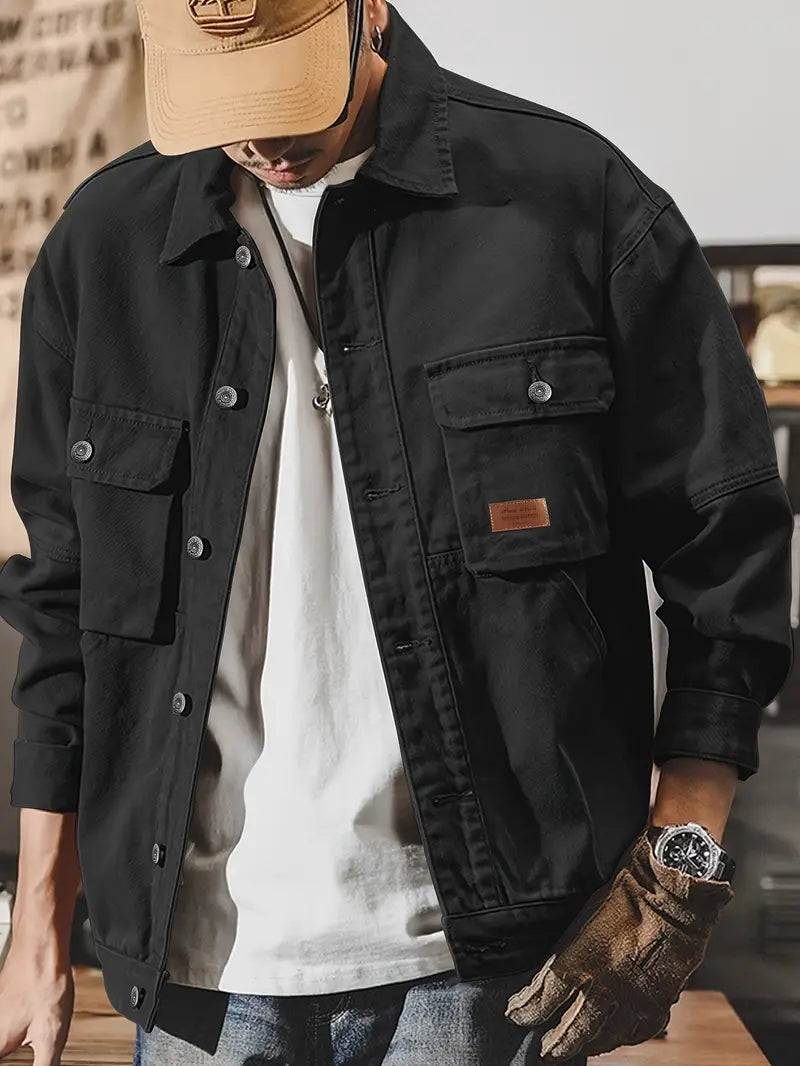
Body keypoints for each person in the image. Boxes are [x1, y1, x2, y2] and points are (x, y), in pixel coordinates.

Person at [0, 0, 793, 1064]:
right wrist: (38, 926)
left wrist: (679, 860)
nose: (260, 138)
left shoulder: (571, 202)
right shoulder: (104, 249)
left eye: (285, 91)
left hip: (487, 971)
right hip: (199, 969)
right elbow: (63, 610)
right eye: (222, 100)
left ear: (365, 13)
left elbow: (726, 548)